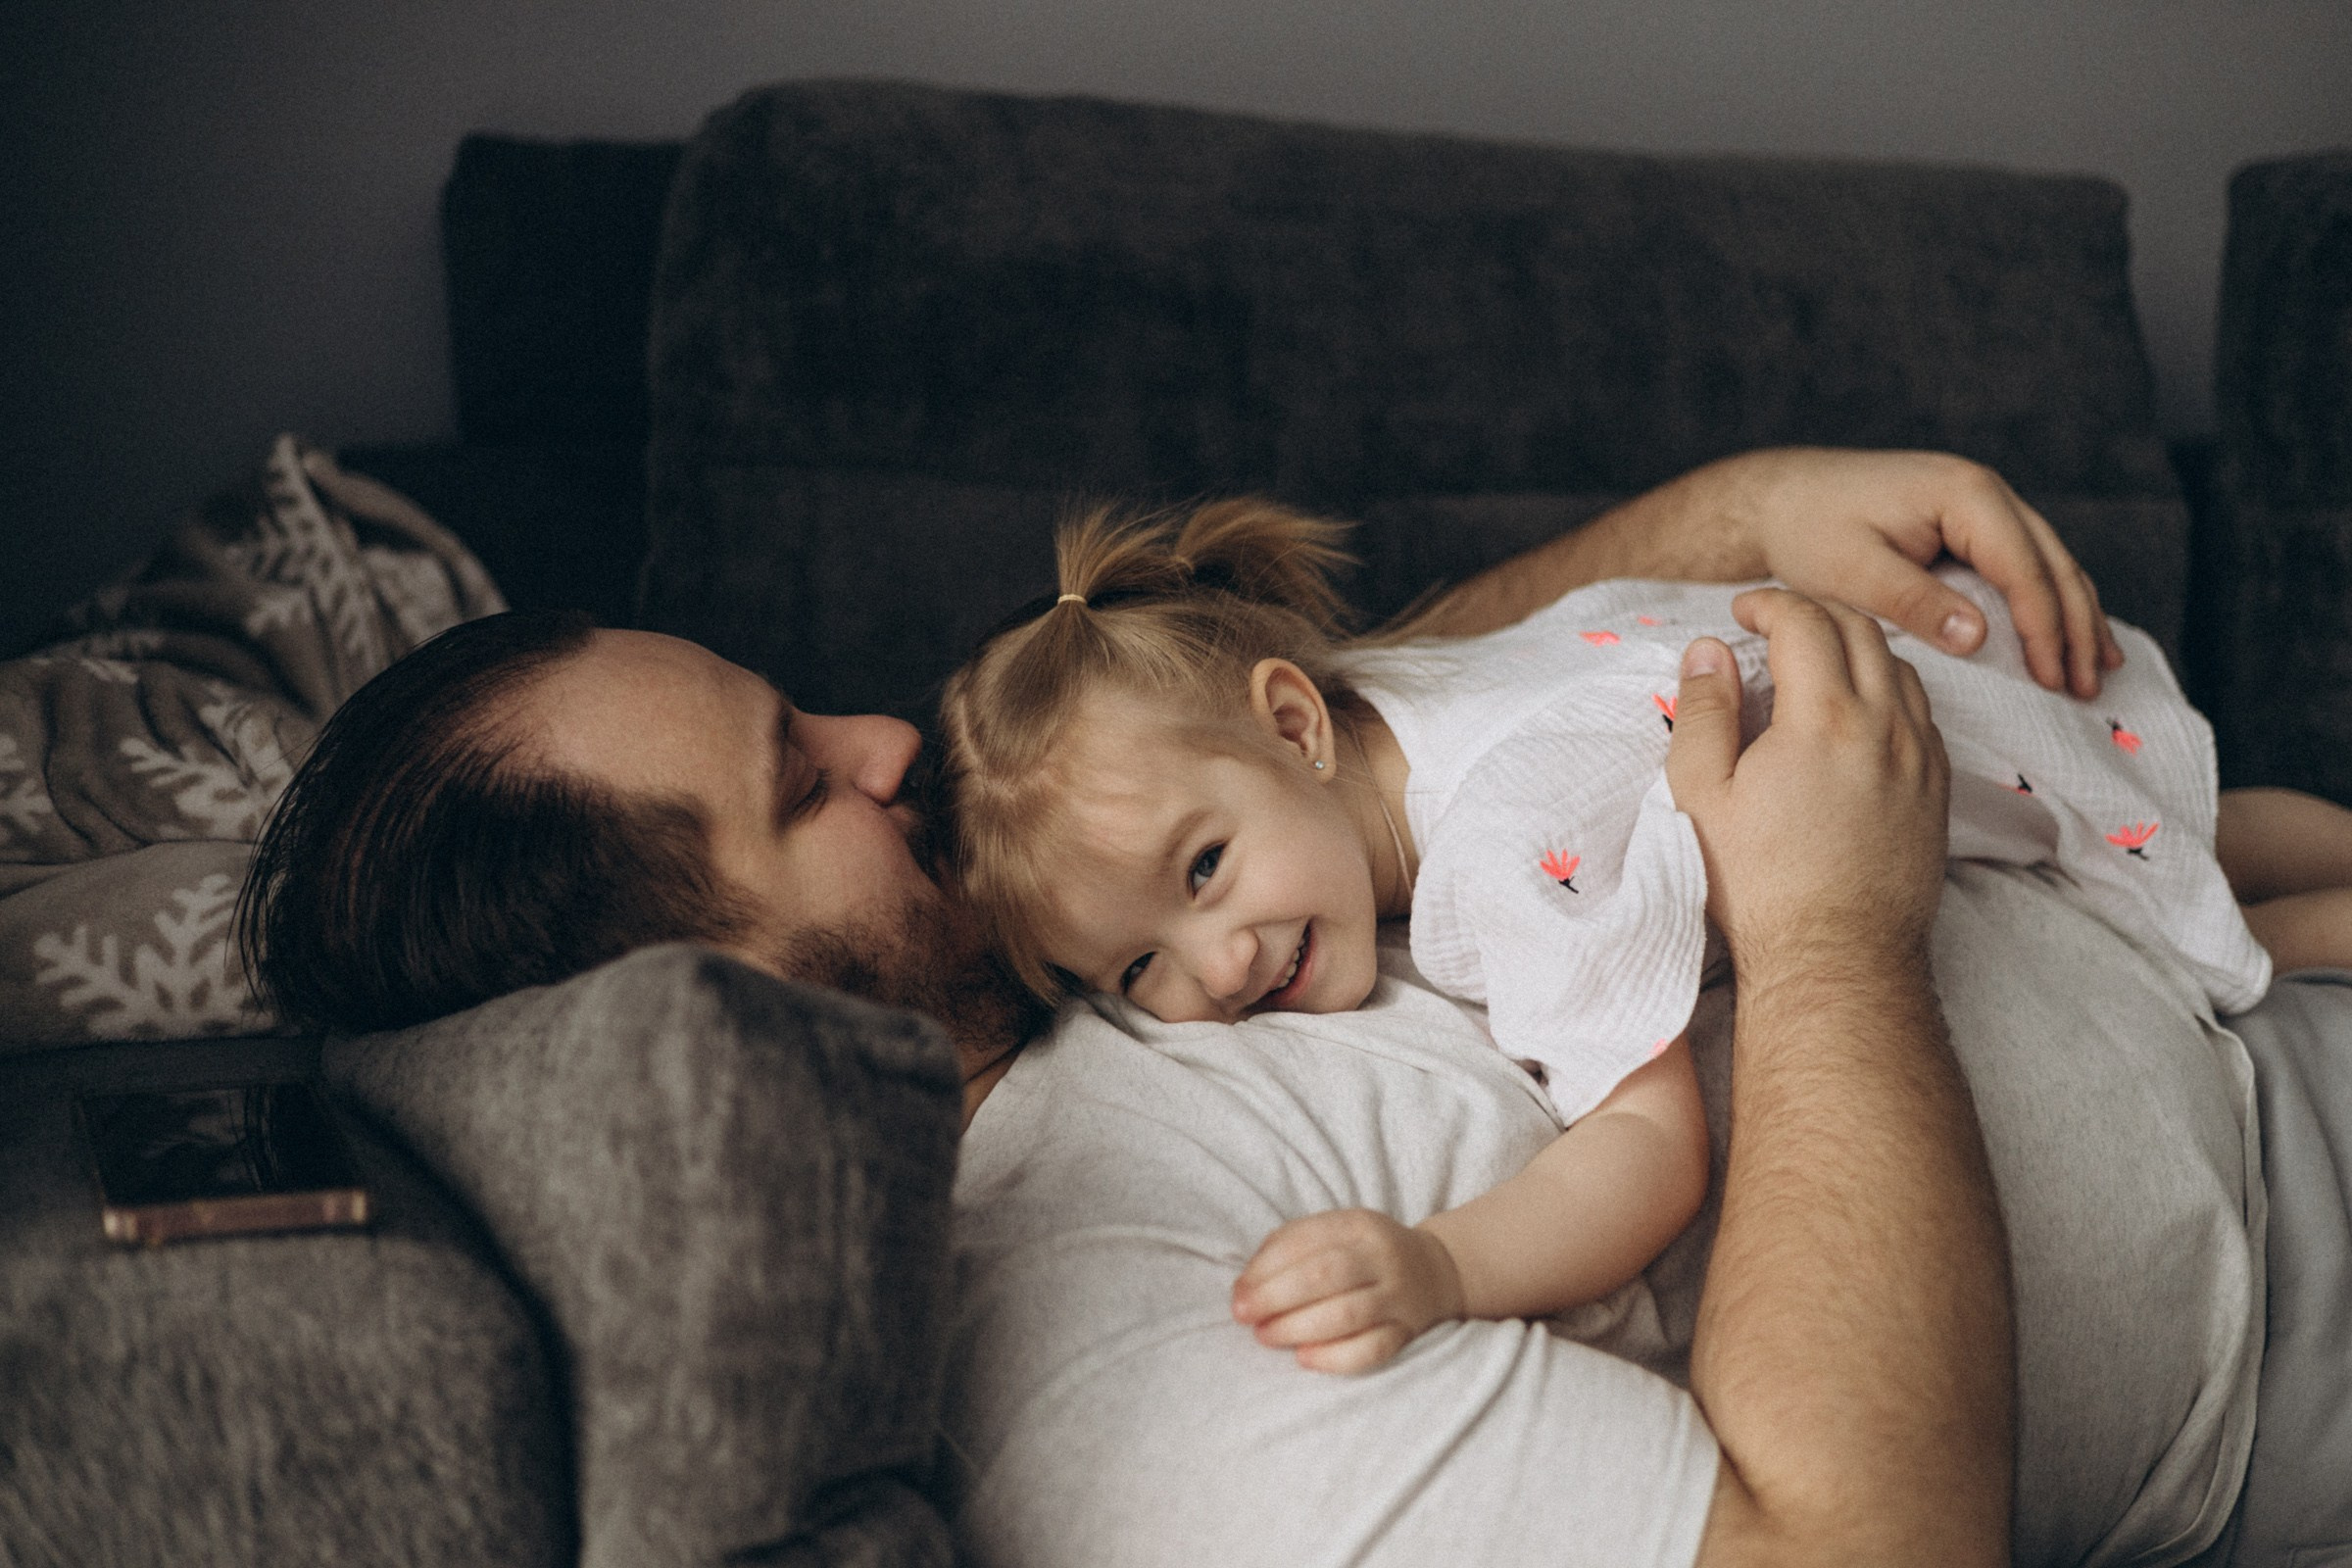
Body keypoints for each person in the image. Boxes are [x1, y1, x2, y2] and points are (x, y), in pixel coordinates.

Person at [237, 448, 2348, 1564]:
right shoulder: (1109, 1357)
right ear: (690, 1019)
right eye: (800, 780)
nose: (887, 740)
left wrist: (1729, 518)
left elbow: (1292, 752)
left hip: (2219, 987)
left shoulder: (1060, 955)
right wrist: (1824, 935)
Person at [936, 481, 2348, 1379]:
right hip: (1960, 683)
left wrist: (1442, 1266)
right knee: (2210, 823)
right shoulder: (1407, 686)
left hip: (1943, 747)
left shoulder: (1499, 858)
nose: (1220, 966)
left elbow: (1650, 1150)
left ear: (1294, 724)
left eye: (1202, 870)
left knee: (2229, 930)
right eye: (1135, 971)